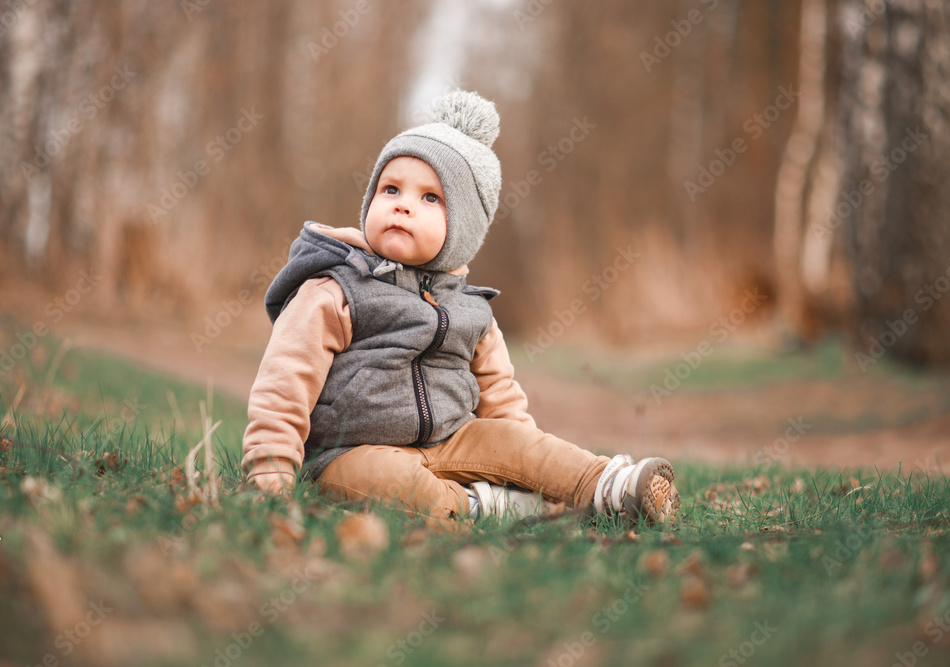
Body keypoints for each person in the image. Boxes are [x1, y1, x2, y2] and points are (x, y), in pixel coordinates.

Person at [241, 90, 680, 525]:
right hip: (349, 452)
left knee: (518, 444)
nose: (403, 204)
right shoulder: (336, 288)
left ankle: (608, 486)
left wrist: (522, 465)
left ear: (464, 228)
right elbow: (285, 381)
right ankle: (482, 506)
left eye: (431, 197)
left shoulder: (472, 310)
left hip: (455, 442)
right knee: (385, 482)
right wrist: (271, 468)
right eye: (390, 188)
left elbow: (501, 399)